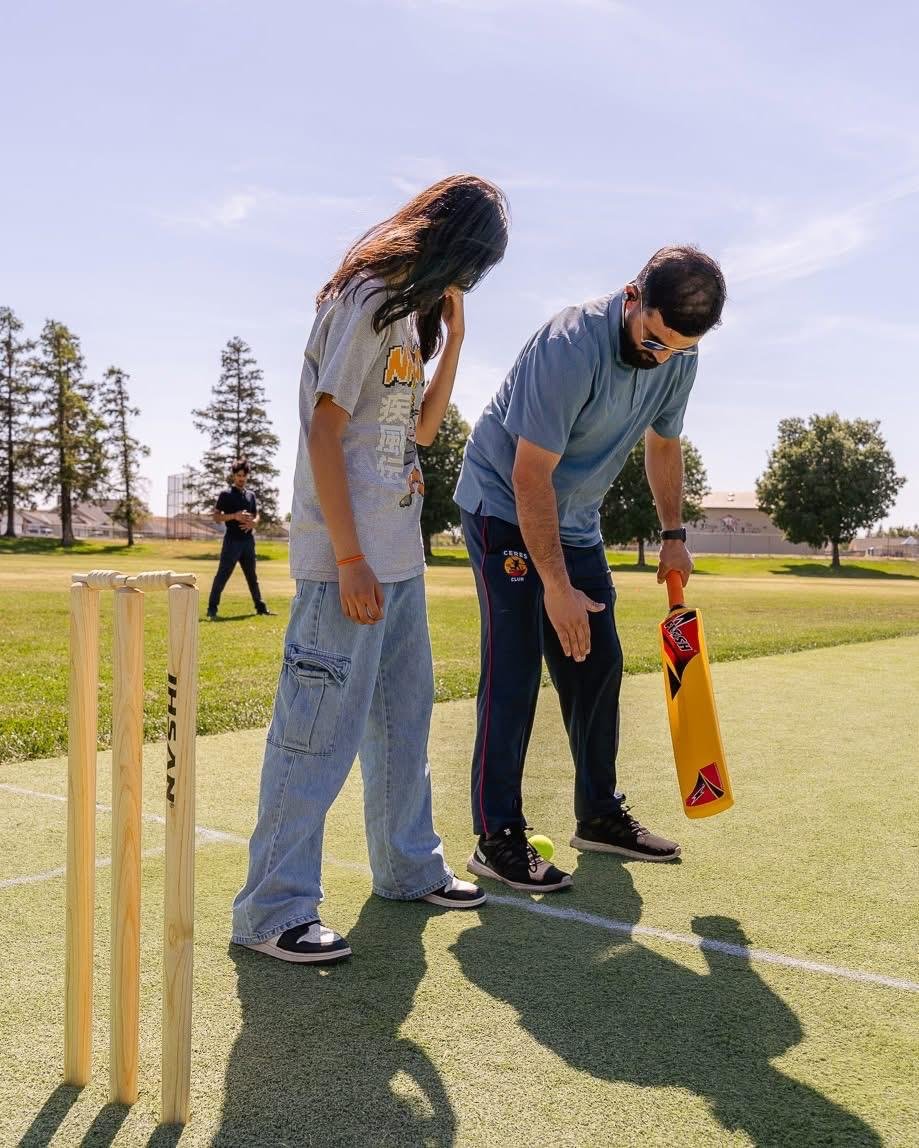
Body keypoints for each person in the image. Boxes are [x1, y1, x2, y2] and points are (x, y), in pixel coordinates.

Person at [231, 174, 509, 963]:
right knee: (313, 736)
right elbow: (324, 432)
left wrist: (452, 344)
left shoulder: (408, 319)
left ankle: (407, 866)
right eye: (476, 263)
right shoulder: (365, 300)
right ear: (452, 243)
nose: (473, 279)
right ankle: (271, 911)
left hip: (398, 561)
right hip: (344, 565)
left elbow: (419, 431)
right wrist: (349, 559)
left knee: (401, 725)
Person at [454, 245, 727, 892]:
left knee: (596, 663)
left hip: (573, 518)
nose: (661, 356)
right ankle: (496, 838)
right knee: (515, 670)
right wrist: (555, 588)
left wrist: (672, 534)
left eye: (677, 349)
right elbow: (528, 475)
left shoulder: (680, 356)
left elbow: (663, 446)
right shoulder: (569, 345)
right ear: (633, 298)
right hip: (502, 505)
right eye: (654, 340)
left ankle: (599, 815)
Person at [207, 460, 275, 619]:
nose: (241, 479)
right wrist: (234, 516)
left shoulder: (251, 495)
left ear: (247, 476)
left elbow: (256, 514)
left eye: (244, 476)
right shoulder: (225, 495)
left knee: (252, 576)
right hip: (232, 541)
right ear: (233, 475)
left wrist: (254, 522)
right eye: (238, 476)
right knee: (222, 575)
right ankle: (212, 610)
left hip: (248, 542)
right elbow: (216, 516)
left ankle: (261, 608)